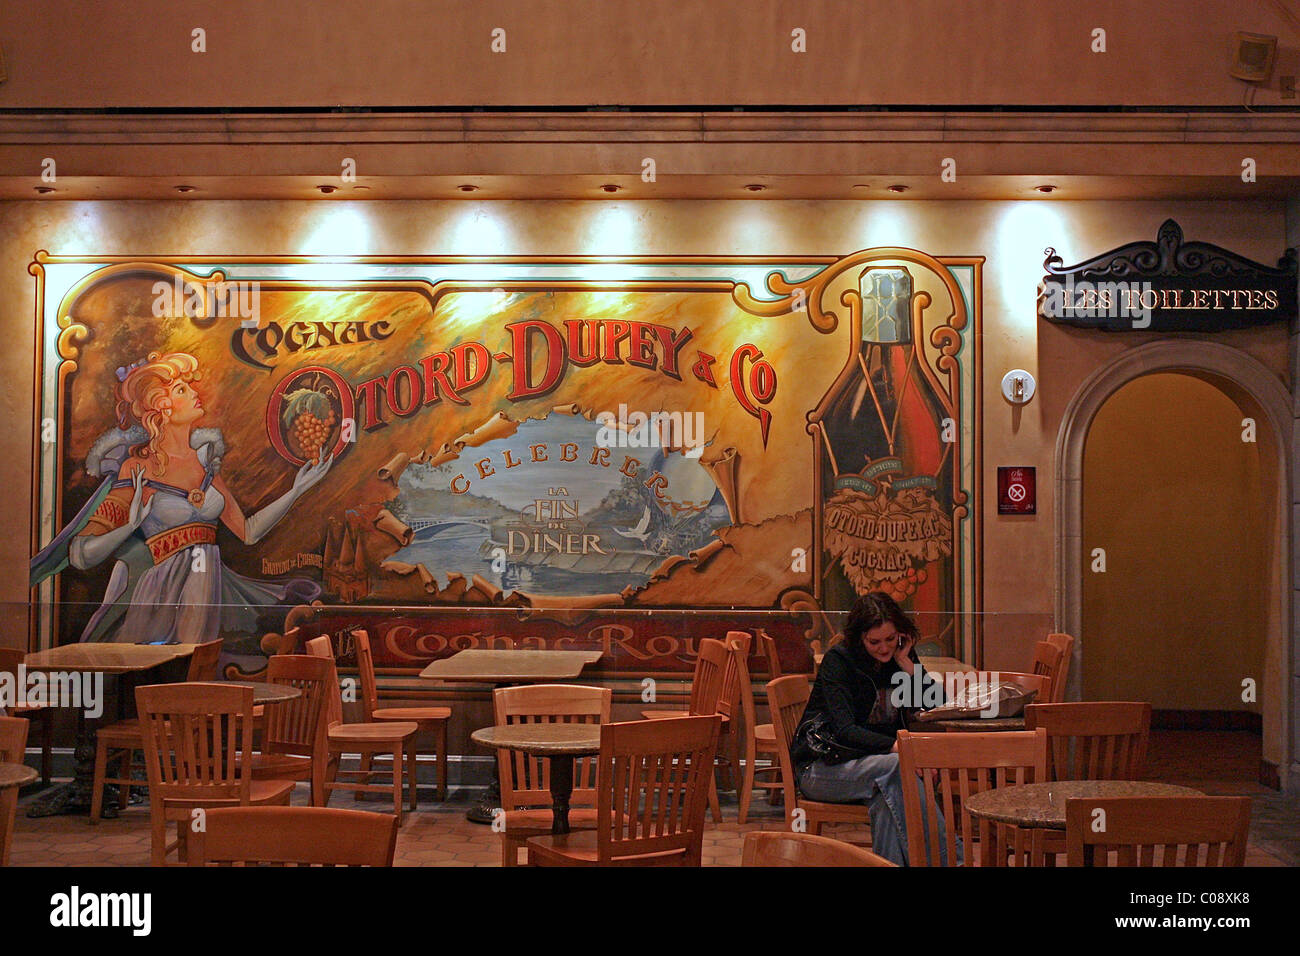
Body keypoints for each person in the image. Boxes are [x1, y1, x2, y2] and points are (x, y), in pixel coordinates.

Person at [31, 351, 331, 651]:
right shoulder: (138, 469)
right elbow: (82, 554)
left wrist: (297, 489)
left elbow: (248, 532)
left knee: (197, 673)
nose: (194, 394)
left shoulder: (206, 465)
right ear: (162, 408)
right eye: (181, 390)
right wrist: (130, 526)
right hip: (158, 597)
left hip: (206, 592)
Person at [791, 591, 960, 866]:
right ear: (859, 638)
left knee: (888, 801)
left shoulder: (900, 656)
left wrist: (911, 669)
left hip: (880, 770)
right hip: (822, 767)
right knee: (896, 769)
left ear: (901, 635)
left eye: (890, 639)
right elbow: (845, 730)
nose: (884, 648)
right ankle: (952, 861)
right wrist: (901, 750)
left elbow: (937, 707)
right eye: (874, 642)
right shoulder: (839, 661)